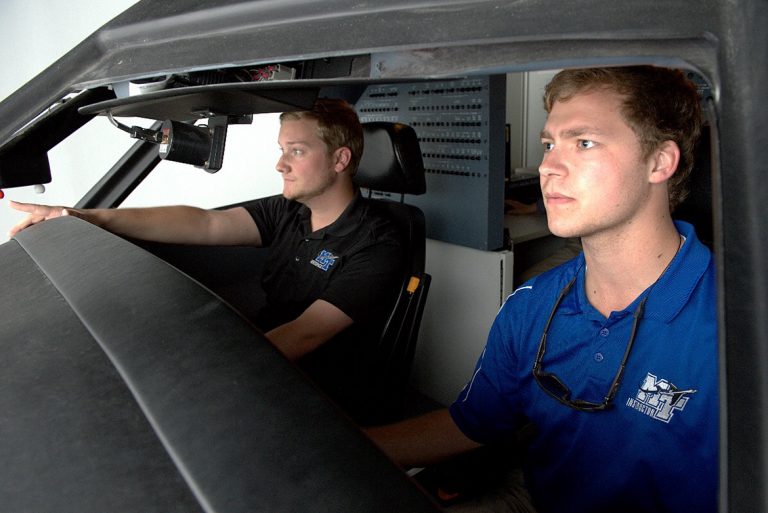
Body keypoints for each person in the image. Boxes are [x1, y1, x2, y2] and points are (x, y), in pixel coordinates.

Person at [367, 66, 716, 513]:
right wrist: (338, 445)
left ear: (659, 162)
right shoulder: (532, 303)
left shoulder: (733, 324)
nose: (547, 167)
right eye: (549, 144)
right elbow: (471, 423)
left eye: (583, 142)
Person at [9, 98, 406, 421]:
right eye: (282, 150)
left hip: (317, 389)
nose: (280, 164)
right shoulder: (289, 210)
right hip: (266, 358)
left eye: (296, 151)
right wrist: (84, 217)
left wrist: (211, 374)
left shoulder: (377, 242)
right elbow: (205, 224)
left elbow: (307, 333)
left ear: (339, 160)